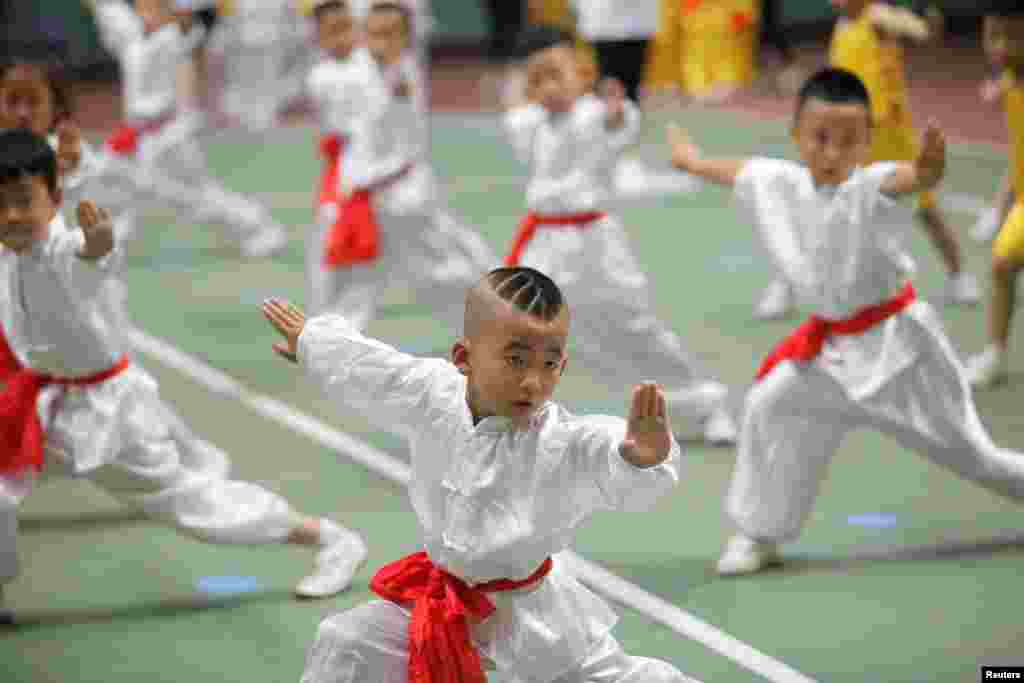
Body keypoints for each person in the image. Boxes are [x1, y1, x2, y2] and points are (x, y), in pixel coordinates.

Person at [262, 266, 700, 683]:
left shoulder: (559, 439)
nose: (533, 381)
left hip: (532, 618)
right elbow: (379, 372)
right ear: (463, 357)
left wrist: (642, 457)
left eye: (550, 364)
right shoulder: (434, 394)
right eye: (515, 359)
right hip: (442, 597)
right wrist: (313, 344)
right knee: (347, 643)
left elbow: (602, 446)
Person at [667, 67, 1024, 576]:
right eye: (820, 138)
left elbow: (907, 177)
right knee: (769, 406)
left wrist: (926, 171)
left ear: (867, 143)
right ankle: (760, 534)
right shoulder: (780, 182)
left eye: (848, 141)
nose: (832, 153)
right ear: (797, 135)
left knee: (973, 455)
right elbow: (741, 171)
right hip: (829, 355)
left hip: (898, 351)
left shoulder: (871, 186)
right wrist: (691, 162)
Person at [0, 129, 366, 600]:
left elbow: (92, 254)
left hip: (108, 412)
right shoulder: (10, 252)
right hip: (48, 401)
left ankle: (326, 538)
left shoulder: (62, 250)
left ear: (53, 198)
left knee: (191, 504)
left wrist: (98, 239)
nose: (11, 215)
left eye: (22, 201)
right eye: (0, 203)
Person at [503, 25, 736, 443]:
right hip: (543, 245)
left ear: (581, 71)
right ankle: (515, 414)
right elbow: (520, 115)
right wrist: (533, 87)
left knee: (634, 325)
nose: (549, 88)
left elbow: (617, 124)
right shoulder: (528, 123)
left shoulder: (597, 115)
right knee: (523, 329)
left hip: (594, 243)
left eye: (557, 74)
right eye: (537, 80)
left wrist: (615, 113)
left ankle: (703, 404)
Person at [311, 1, 495, 329]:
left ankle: (507, 306)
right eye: (374, 33)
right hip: (362, 196)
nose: (381, 41)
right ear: (363, 35)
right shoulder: (345, 72)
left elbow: (390, 99)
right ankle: (330, 341)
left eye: (391, 34)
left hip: (405, 192)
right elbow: (337, 125)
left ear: (407, 39)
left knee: (449, 269)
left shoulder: (404, 73)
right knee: (345, 281)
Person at [83, 0, 288, 257]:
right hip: (135, 136)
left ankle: (258, 226)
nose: (146, 13)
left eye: (154, 7)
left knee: (193, 197)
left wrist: (180, 15)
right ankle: (113, 234)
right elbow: (107, 8)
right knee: (106, 175)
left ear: (167, 12)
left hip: (168, 137)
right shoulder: (131, 36)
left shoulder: (172, 37)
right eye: (142, 7)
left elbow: (187, 25)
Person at [967, 4, 1024, 387]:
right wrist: (1000, 206)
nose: (1001, 46)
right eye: (993, 36)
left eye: (1013, 36)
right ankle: (995, 355)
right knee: (1002, 264)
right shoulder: (1010, 83)